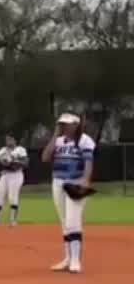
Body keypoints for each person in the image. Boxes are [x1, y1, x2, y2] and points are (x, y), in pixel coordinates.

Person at [42, 111, 96, 273]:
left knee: (73, 221)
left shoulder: (84, 140)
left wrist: (86, 181)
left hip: (75, 182)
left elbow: (88, 162)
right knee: (64, 222)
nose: (63, 127)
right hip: (58, 182)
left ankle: (75, 260)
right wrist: (54, 135)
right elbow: (45, 157)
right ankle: (67, 258)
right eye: (61, 124)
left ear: (76, 125)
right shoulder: (58, 141)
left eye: (66, 124)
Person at [0, 134, 28, 227]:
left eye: (10, 139)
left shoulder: (20, 149)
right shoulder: (3, 150)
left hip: (16, 175)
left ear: (15, 140)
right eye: (7, 140)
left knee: (12, 197)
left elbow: (25, 163)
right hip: (5, 175)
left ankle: (13, 221)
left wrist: (14, 162)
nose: (8, 141)